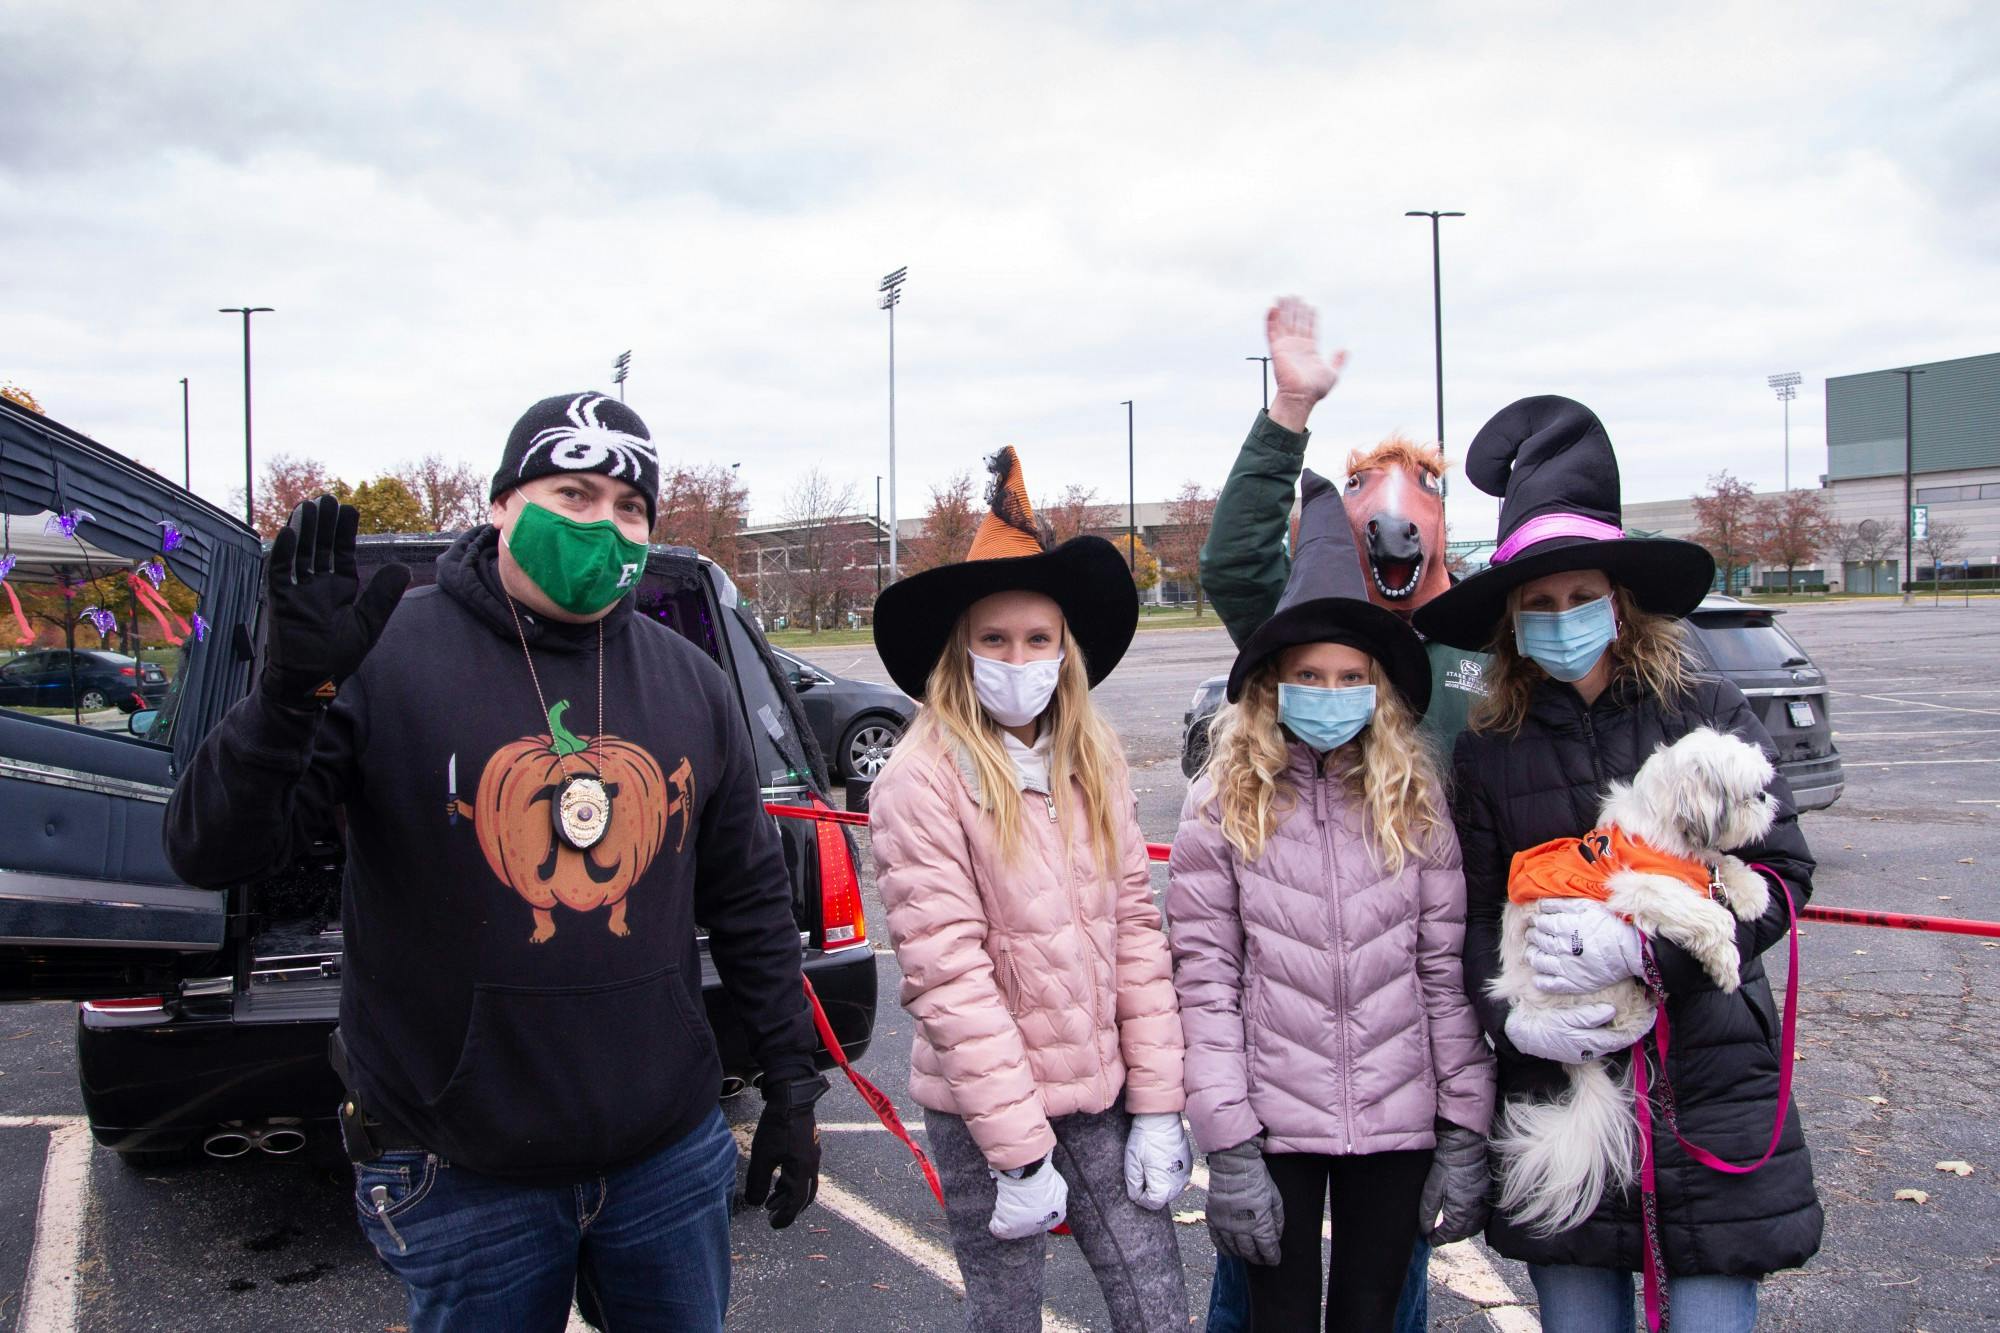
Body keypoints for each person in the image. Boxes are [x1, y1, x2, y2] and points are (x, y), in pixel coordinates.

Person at [164, 392, 827, 1333]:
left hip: (665, 1161)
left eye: (629, 507)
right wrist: (288, 693)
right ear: (501, 504)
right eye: (574, 494)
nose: (604, 524)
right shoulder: (387, 654)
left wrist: (793, 1080)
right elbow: (209, 849)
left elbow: (751, 897)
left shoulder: (691, 679)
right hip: (460, 1172)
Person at [1413, 396, 1821, 1333]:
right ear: (1514, 618)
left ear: (1619, 600)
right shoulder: (1489, 746)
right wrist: (1514, 1018)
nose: (1561, 618)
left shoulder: (1703, 704)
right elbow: (1472, 920)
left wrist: (1652, 953)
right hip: (1567, 1100)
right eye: (1539, 604)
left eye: (1580, 598)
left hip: (1712, 1085)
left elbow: (1784, 875)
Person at [1196, 295, 1488, 1332]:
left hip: (1411, 1035)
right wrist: (1285, 416)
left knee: (1383, 1292)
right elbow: (1233, 562)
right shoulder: (1309, 629)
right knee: (1260, 1282)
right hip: (1281, 1066)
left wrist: (1464, 1111)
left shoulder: (1470, 653)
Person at [869, 448, 1193, 1333]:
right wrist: (1016, 1156)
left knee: (1156, 1303)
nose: (1019, 657)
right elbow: (950, 975)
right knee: (1007, 1316)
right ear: (961, 649)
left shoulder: (1094, 762)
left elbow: (1135, 931)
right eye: (995, 639)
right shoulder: (920, 780)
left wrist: (1161, 1104)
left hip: (1104, 1091)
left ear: (1065, 649)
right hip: (988, 1109)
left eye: (1038, 639)